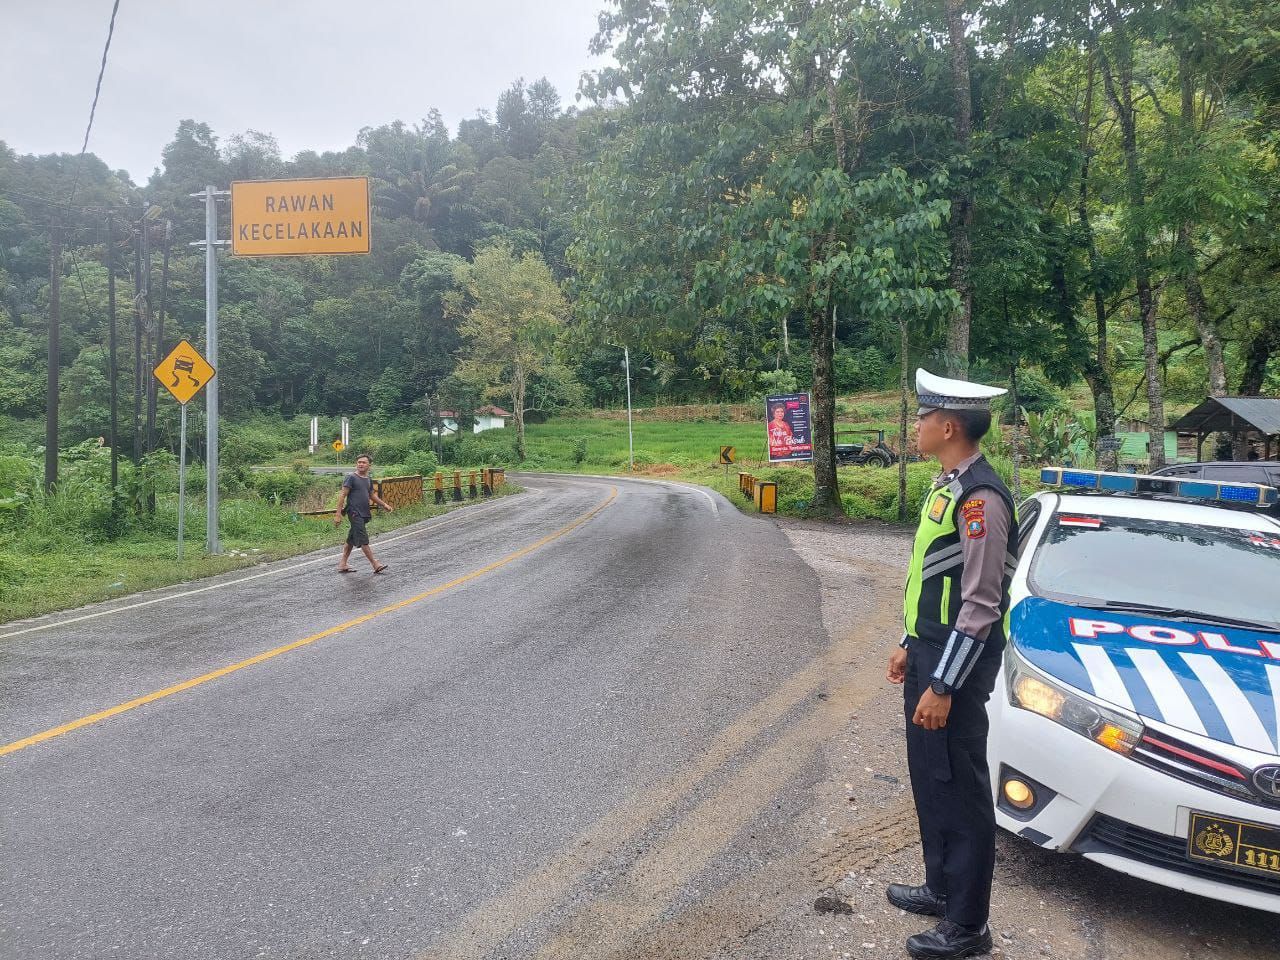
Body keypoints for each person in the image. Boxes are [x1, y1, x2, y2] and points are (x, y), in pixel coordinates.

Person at [884, 368, 1018, 960]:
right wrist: (910, 643)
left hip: (955, 668)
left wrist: (942, 684)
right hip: (930, 653)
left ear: (947, 425)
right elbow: (929, 580)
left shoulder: (980, 500)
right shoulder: (946, 486)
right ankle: (941, 887)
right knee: (930, 779)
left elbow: (981, 606)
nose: (915, 426)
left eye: (921, 417)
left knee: (960, 791)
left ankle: (968, 926)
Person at [334, 453, 393, 574]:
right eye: (359, 462)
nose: (360, 464)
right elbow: (342, 495)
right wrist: (338, 514)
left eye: (363, 462)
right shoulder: (351, 477)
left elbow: (371, 495)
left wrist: (384, 505)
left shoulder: (368, 479)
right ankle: (375, 563)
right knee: (363, 538)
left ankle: (343, 563)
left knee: (351, 539)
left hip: (363, 512)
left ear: (369, 465)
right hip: (354, 512)